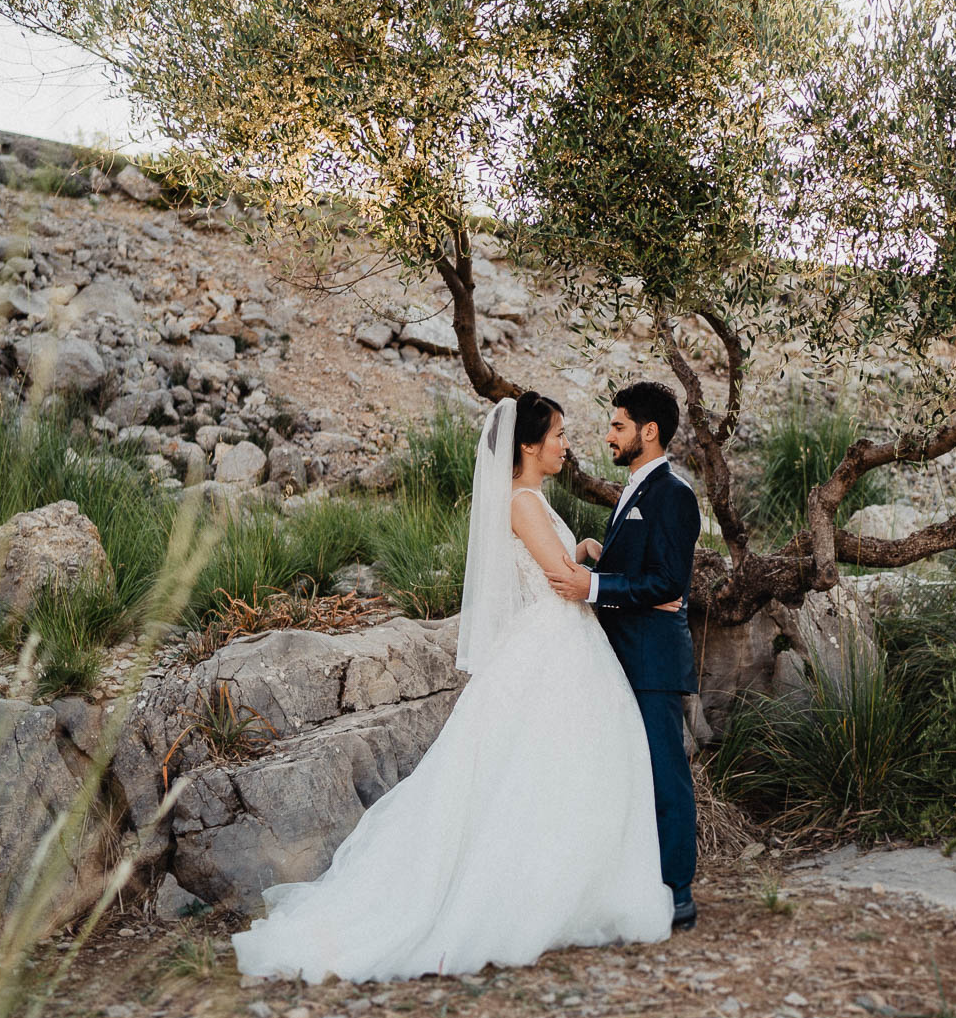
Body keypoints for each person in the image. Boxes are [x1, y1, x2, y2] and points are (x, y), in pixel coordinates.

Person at [231, 393, 673, 981]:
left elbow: (565, 562)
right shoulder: (522, 502)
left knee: (558, 768)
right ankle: (533, 896)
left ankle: (572, 887)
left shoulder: (533, 500)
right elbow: (562, 579)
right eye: (560, 435)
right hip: (555, 643)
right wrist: (627, 581)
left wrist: (588, 550)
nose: (568, 445)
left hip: (563, 640)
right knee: (546, 768)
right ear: (528, 445)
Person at [545, 381, 702, 932]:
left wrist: (592, 585)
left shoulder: (674, 495)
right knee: (630, 774)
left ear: (648, 431)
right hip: (623, 657)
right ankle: (638, 881)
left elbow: (666, 581)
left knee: (665, 775)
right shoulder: (635, 490)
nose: (608, 435)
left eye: (617, 426)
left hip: (654, 661)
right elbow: (639, 570)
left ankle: (679, 890)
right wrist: (599, 552)